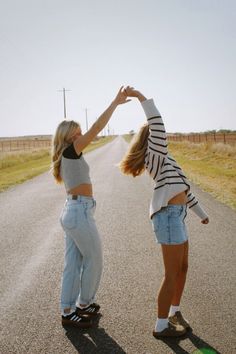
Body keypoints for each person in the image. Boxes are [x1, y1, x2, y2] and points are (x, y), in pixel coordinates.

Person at [119, 86, 209, 338]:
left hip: (178, 214)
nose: (165, 136)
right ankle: (160, 326)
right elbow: (157, 123)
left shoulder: (169, 160)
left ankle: (174, 312)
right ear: (154, 138)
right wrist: (140, 97)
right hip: (168, 215)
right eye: (161, 135)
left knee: (183, 267)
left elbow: (185, 190)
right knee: (171, 273)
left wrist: (200, 213)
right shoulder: (155, 156)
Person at [52, 86, 130, 328]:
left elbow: (93, 132)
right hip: (78, 212)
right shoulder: (71, 151)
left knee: (73, 264)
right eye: (77, 133)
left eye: (80, 133)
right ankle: (82, 304)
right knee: (94, 258)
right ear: (68, 136)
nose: (82, 136)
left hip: (75, 211)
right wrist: (115, 103)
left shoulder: (70, 153)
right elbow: (97, 127)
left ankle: (69, 310)